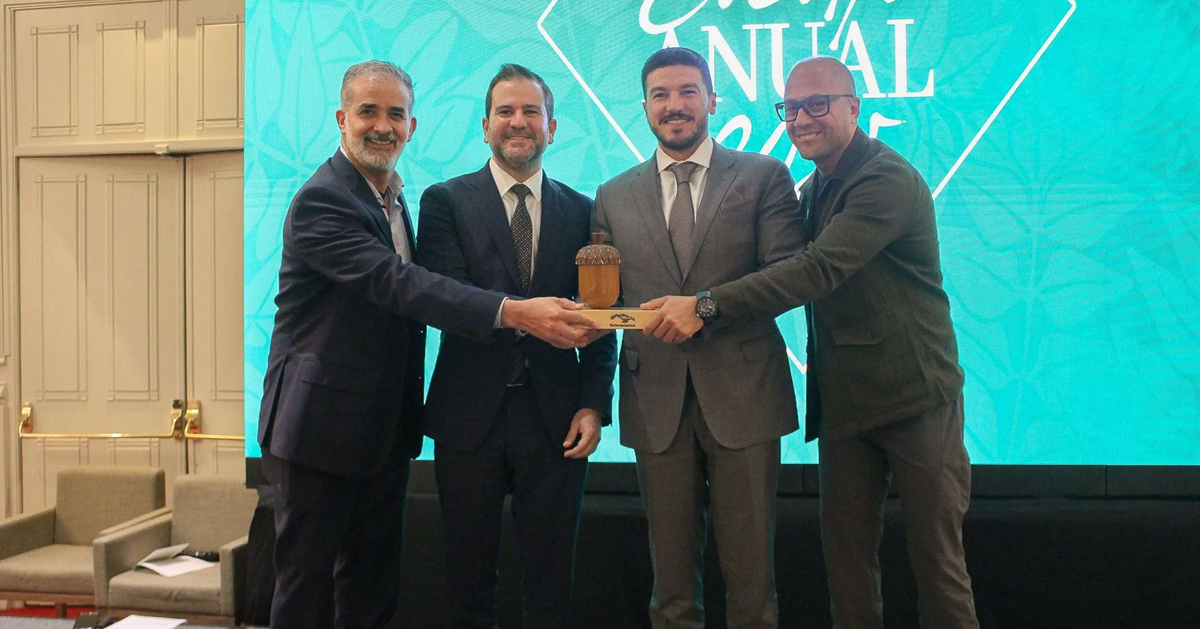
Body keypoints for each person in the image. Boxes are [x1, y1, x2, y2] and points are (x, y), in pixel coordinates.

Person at [257, 60, 597, 629]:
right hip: (319, 429)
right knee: (306, 594)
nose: (382, 126)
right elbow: (400, 285)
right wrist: (516, 312)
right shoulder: (324, 199)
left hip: (383, 431)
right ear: (341, 119)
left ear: (412, 126)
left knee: (370, 589)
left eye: (396, 114)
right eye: (368, 112)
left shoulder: (390, 200)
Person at [646, 56, 980, 629]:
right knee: (847, 567)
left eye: (817, 104)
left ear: (854, 108)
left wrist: (702, 305)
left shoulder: (885, 180)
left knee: (938, 566)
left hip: (917, 400)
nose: (801, 119)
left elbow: (814, 270)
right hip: (846, 405)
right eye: (792, 108)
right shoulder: (816, 185)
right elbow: (777, 266)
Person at [591, 47, 805, 629]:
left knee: (752, 588)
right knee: (672, 592)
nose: (675, 105)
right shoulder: (612, 195)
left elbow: (789, 276)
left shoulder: (763, 176)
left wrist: (705, 310)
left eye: (688, 91)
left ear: (712, 100)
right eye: (660, 95)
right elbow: (606, 306)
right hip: (654, 399)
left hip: (746, 396)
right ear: (645, 107)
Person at [417, 63, 618, 629]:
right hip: (468, 417)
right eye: (505, 111)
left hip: (556, 420)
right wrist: (525, 317)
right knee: (468, 579)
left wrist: (593, 404)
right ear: (485, 126)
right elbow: (446, 300)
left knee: (551, 583)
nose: (518, 121)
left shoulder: (583, 210)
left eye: (531, 111)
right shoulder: (445, 202)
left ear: (552, 127)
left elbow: (602, 317)